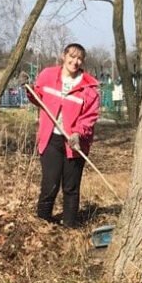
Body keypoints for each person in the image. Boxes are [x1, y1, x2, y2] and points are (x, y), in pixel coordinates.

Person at [27, 43, 100, 227]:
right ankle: (42, 221)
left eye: (79, 59)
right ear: (63, 56)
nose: (75, 62)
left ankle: (69, 225)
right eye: (72, 56)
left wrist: (78, 133)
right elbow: (38, 98)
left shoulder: (89, 87)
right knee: (50, 183)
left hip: (74, 142)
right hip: (50, 138)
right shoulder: (48, 75)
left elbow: (90, 117)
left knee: (71, 186)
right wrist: (28, 88)